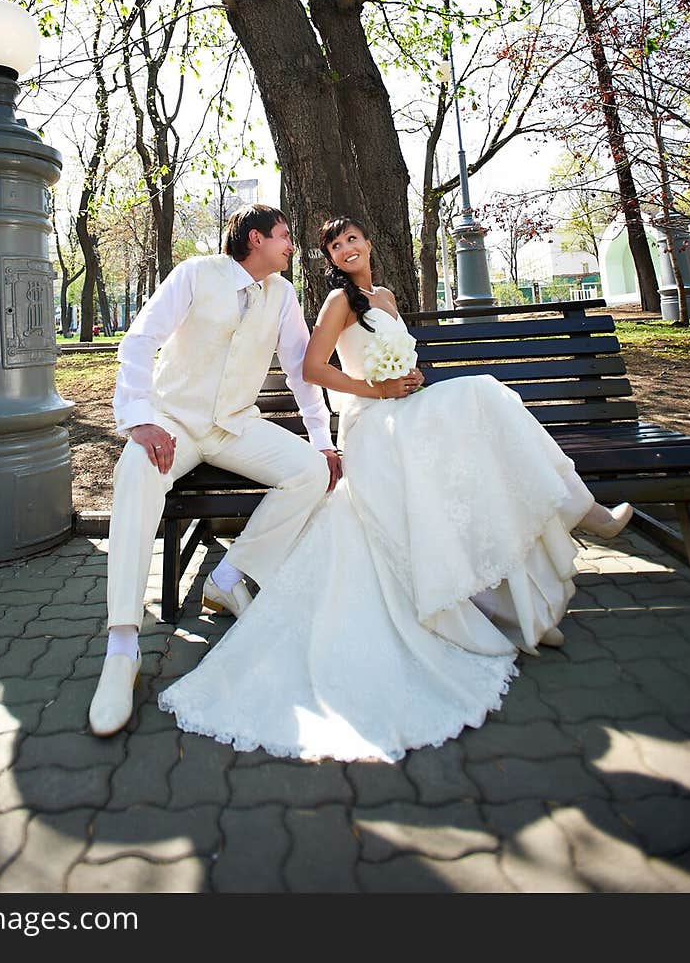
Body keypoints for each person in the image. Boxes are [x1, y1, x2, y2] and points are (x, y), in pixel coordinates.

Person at [157, 215, 632, 763]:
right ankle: (580, 511)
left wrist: (409, 383)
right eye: (335, 246)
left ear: (368, 243)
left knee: (485, 420)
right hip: (369, 421)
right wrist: (374, 390)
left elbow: (406, 364)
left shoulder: (384, 296)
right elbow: (312, 369)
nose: (346, 248)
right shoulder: (337, 303)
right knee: (484, 394)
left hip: (405, 410)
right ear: (332, 260)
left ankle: (523, 598)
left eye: (353, 238)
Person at [89, 205, 342, 737]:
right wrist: (138, 419)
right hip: (174, 424)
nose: (291, 246)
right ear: (256, 239)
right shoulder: (195, 274)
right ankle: (122, 645)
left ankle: (228, 577)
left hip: (234, 428)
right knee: (134, 474)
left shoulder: (282, 295)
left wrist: (321, 441)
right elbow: (139, 341)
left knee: (310, 473)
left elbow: (299, 372)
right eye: (284, 236)